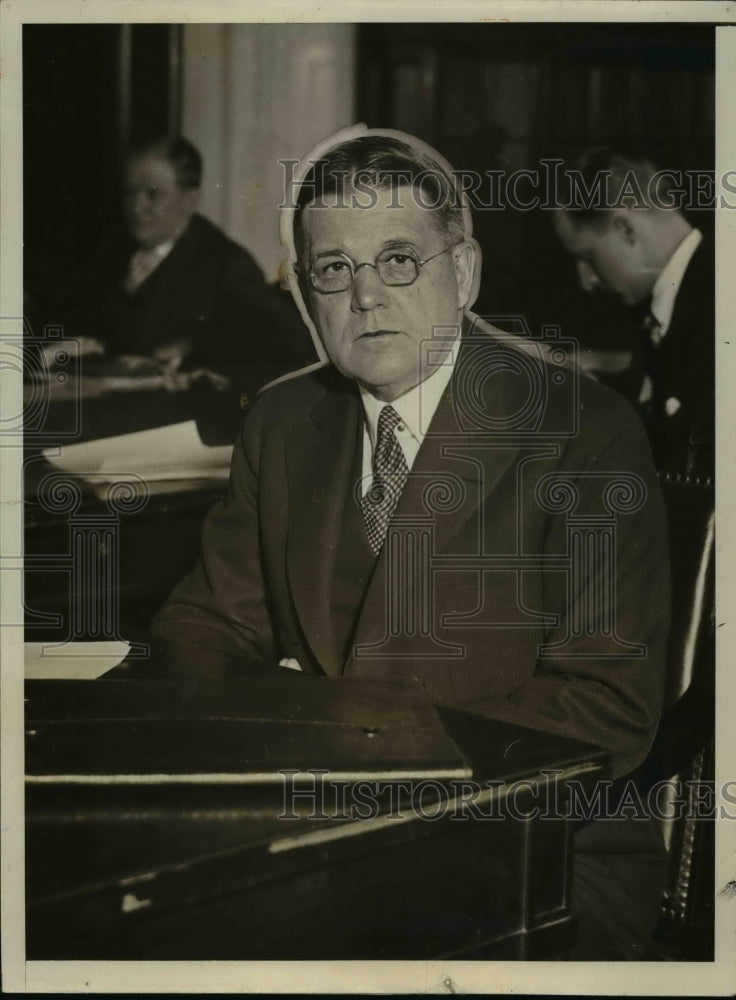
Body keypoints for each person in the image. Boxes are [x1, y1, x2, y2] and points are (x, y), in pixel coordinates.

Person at [151, 127, 670, 959]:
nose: (365, 297)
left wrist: (349, 740)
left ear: (461, 273)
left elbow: (606, 709)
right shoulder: (285, 422)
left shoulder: (583, 430)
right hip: (304, 831)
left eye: (398, 260)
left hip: (534, 848)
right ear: (306, 295)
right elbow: (201, 627)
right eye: (333, 269)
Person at [48, 135, 316, 411]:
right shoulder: (112, 249)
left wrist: (197, 345)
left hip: (181, 421)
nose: (137, 207)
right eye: (130, 193)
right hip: (105, 408)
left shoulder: (225, 263)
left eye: (153, 194)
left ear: (190, 199)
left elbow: (287, 346)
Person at [553, 147, 714, 477]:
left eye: (588, 257)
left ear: (626, 229)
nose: (587, 281)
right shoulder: (690, 296)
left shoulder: (716, 303)